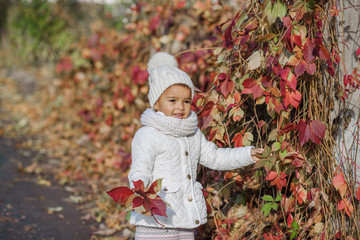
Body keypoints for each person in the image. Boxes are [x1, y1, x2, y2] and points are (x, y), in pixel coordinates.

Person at [128, 52, 264, 240]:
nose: (180, 107)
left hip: (184, 220)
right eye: (172, 100)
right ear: (156, 103)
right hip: (156, 219)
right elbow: (139, 169)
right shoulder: (148, 135)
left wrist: (248, 154)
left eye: (186, 101)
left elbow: (215, 157)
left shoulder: (192, 133)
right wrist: (141, 190)